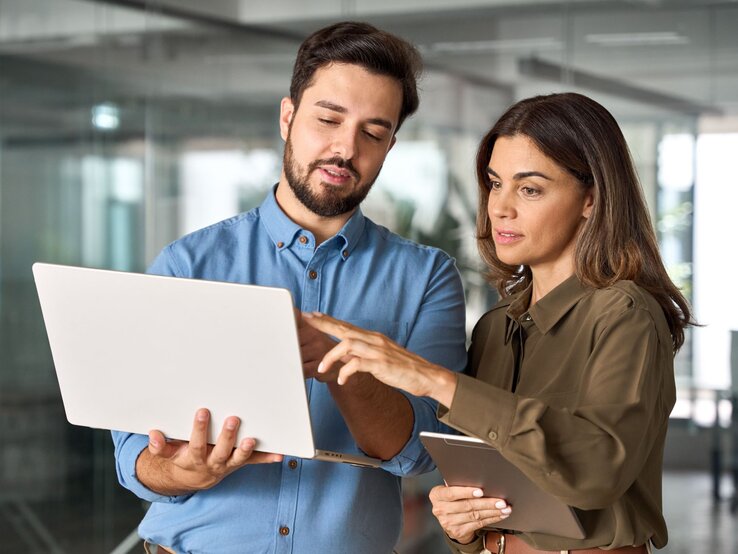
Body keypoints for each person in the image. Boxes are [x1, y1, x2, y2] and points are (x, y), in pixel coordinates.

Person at [111, 21, 467, 554]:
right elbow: (133, 455)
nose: (345, 149)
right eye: (328, 119)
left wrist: (340, 361)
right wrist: (181, 471)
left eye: (373, 133)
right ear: (288, 117)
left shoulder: (427, 278)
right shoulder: (188, 264)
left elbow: (422, 452)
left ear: (390, 145)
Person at [306, 92, 693, 554]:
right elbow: (490, 492)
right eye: (495, 184)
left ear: (591, 198)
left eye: (530, 189)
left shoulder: (625, 314)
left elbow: (596, 472)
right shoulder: (494, 329)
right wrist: (461, 523)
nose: (500, 208)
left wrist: (434, 380)